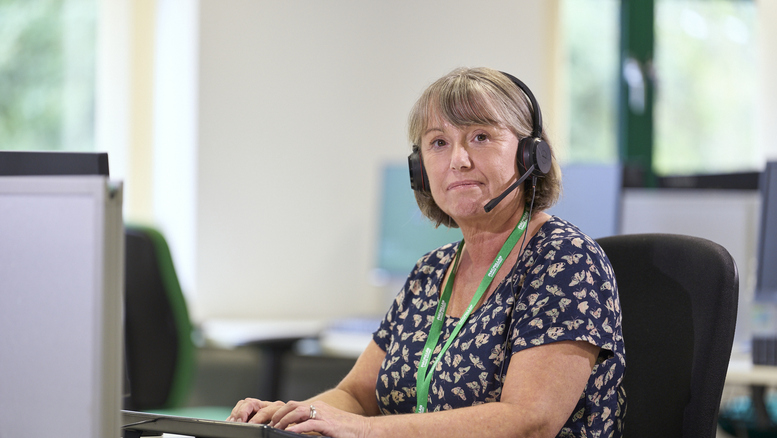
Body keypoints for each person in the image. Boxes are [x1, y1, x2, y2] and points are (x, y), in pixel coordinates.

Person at [227, 67, 626, 438]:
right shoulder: (432, 272)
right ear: (420, 169)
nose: (458, 160)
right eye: (438, 143)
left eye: (481, 137)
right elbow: (356, 397)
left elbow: (529, 420)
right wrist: (284, 420)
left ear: (530, 155)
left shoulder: (564, 261)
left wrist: (364, 431)